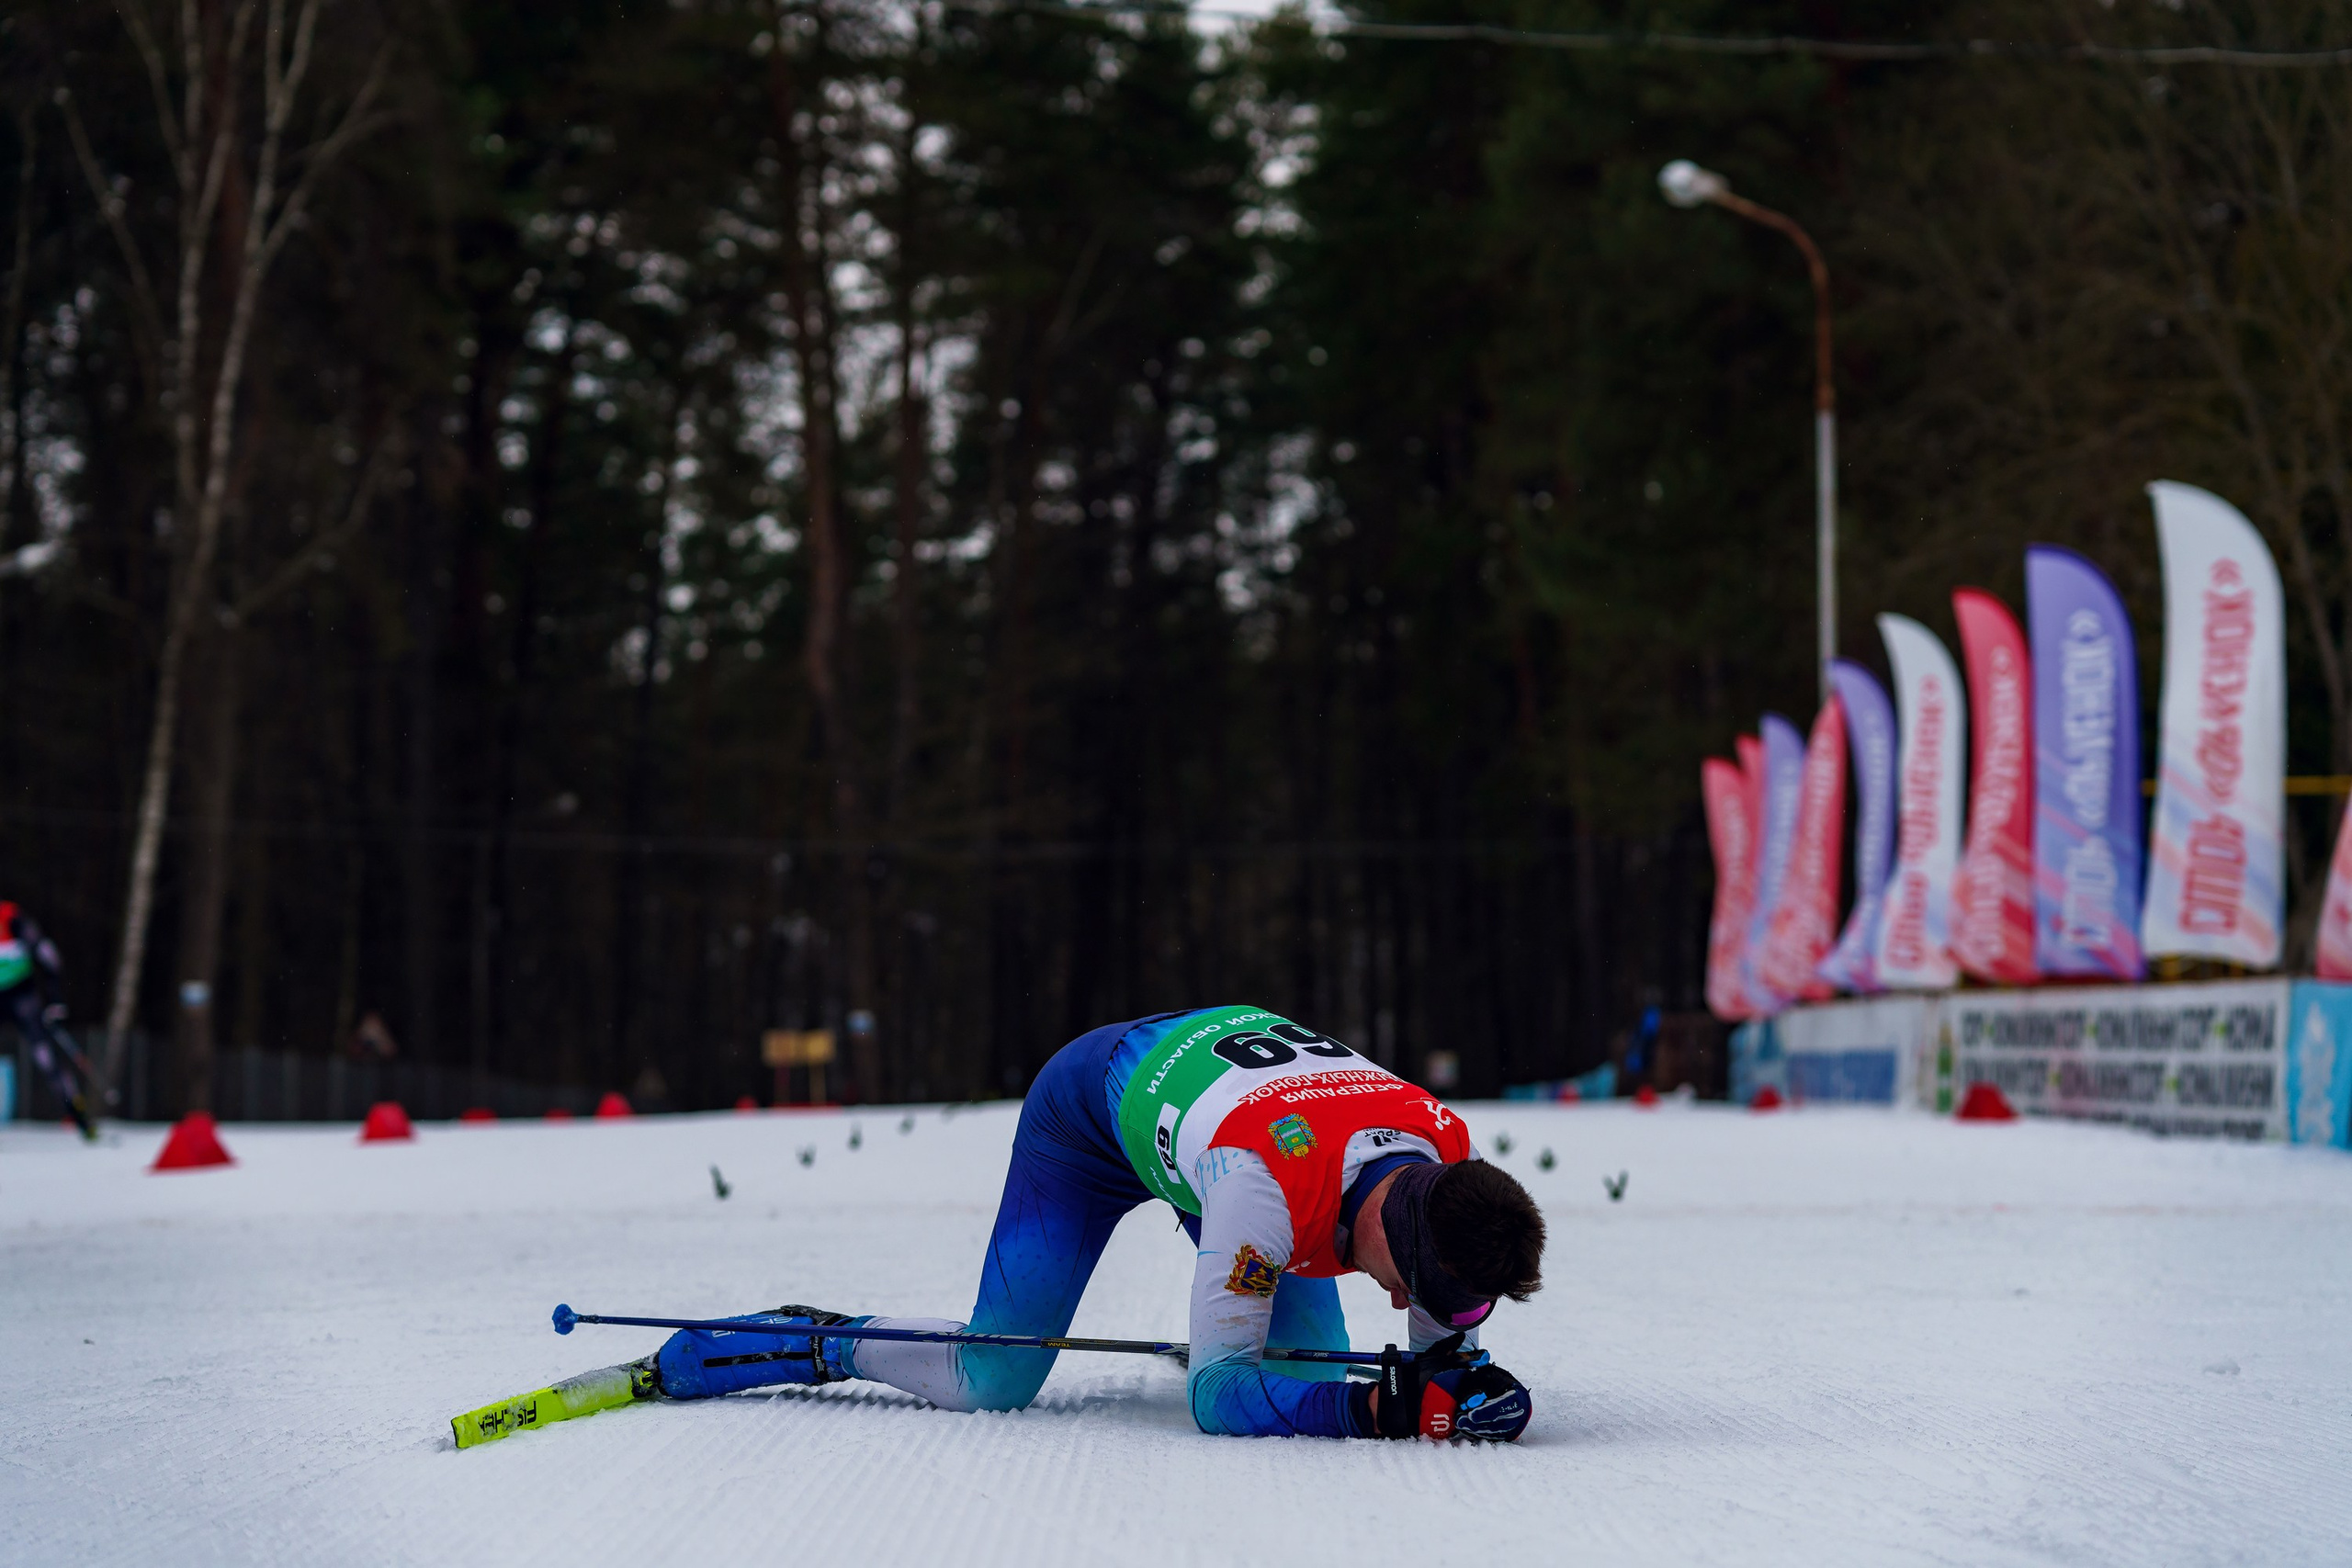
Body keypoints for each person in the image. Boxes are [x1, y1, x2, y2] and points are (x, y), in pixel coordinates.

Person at [640, 1006, 1544, 1440]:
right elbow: (1217, 1401)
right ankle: (821, 1339)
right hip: (1088, 1115)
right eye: (1413, 1290)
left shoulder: (1446, 1164)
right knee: (995, 1376)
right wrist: (1378, 1410)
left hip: (1230, 1108)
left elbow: (1440, 1346)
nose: (1406, 1308)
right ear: (1399, 1233)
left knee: (1303, 1368)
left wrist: (1458, 1377)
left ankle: (1226, 1307)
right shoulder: (1261, 1192)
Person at [0, 902, 96, 1140]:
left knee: (45, 1056)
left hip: (21, 996)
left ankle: (78, 1115)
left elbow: (48, 955)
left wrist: (55, 1000)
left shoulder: (11, 918)